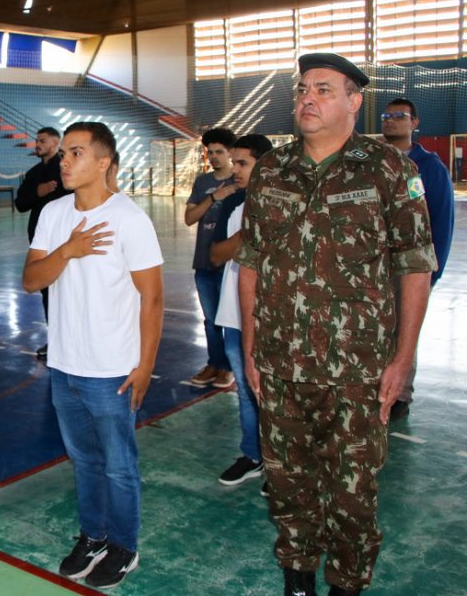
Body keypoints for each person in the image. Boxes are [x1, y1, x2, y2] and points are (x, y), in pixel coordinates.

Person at [235, 53, 436, 596]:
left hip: (357, 371)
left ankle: (348, 584)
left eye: (323, 89)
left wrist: (401, 360)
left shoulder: (390, 168)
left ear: (354, 100)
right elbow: (251, 261)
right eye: (303, 88)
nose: (307, 97)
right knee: (287, 486)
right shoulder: (272, 168)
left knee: (352, 495)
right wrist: (251, 350)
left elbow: (415, 267)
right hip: (279, 364)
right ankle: (297, 581)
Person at [22, 122, 163, 589]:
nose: (64, 161)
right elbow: (32, 280)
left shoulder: (129, 218)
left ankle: (124, 546)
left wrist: (144, 366)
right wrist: (68, 250)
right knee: (84, 460)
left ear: (103, 162)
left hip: (112, 370)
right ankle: (94, 536)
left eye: (76, 153)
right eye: (63, 153)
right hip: (64, 364)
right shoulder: (54, 214)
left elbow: (153, 299)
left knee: (119, 465)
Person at [381, 97, 455, 421]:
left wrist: (430, 273)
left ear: (415, 123)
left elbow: (441, 219)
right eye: (387, 115)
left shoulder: (429, 167)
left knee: (403, 330)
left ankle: (399, 394)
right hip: (370, 267)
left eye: (400, 116)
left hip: (408, 267)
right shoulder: (370, 163)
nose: (391, 120)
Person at [208, 134, 273, 491]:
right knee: (248, 390)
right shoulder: (234, 206)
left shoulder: (291, 205)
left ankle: (281, 462)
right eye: (234, 163)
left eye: (242, 163)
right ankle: (253, 454)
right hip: (235, 317)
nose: (235, 170)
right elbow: (216, 255)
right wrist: (252, 229)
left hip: (274, 318)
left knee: (277, 393)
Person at [185, 127, 237, 390]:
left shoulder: (241, 181)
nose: (214, 157)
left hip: (230, 265)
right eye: (210, 152)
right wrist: (213, 198)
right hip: (204, 263)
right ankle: (213, 363)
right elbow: (189, 218)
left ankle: (228, 367)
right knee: (210, 318)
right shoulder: (202, 183)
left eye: (219, 152)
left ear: (230, 153)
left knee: (230, 318)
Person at [16, 127, 73, 360]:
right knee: (48, 293)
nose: (37, 144)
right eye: (36, 140)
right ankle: (57, 341)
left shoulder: (66, 170)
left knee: (71, 292)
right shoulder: (33, 173)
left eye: (42, 140)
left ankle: (73, 341)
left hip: (67, 243)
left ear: (56, 142)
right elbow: (20, 203)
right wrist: (38, 192)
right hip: (41, 244)